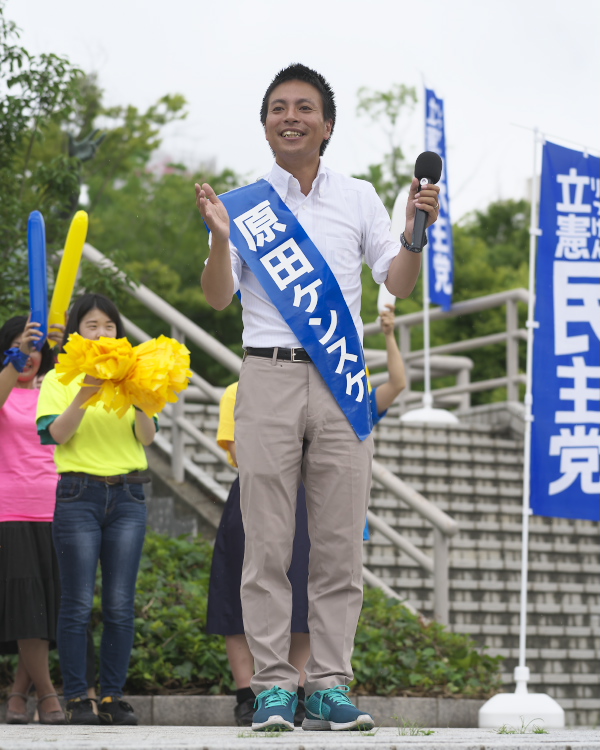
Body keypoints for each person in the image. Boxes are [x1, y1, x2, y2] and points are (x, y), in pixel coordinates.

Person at [196, 63, 439, 732]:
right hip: (267, 375)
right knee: (267, 539)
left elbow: (399, 279)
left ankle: (330, 683)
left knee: (337, 541)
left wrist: (417, 232)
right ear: (267, 123)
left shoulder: (358, 197)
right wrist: (220, 238)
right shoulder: (243, 205)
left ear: (327, 125)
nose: (290, 116)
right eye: (278, 107)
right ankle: (274, 686)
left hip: (340, 377)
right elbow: (218, 297)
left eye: (304, 106)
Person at [36, 293, 158, 726]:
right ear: (75, 333)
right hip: (77, 495)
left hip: (128, 496)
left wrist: (142, 399)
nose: (102, 333)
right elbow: (56, 436)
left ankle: (111, 697)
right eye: (92, 326)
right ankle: (76, 698)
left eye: (109, 326)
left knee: (121, 604)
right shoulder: (58, 379)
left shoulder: (133, 378)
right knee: (76, 603)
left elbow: (147, 438)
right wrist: (84, 393)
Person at [206, 382, 311, 727]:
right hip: (255, 490)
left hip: (306, 497)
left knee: (301, 600)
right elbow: (238, 451)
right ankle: (247, 696)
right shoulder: (238, 391)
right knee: (240, 594)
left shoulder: (316, 391)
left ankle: (295, 692)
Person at [0, 317, 65, 725]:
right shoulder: (6, 389)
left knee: (49, 608)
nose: (28, 356)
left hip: (61, 507)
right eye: (18, 347)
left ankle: (17, 695)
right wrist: (17, 355)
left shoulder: (53, 389)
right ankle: (49, 695)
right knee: (27, 607)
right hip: (13, 509)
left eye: (34, 349)